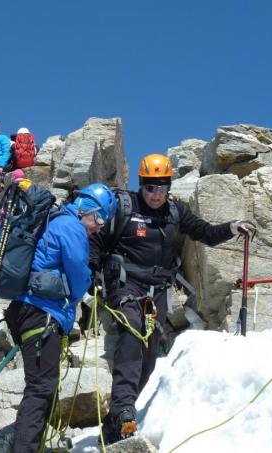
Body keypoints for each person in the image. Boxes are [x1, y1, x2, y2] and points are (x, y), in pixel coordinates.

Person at [88, 154, 257, 444]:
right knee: (132, 331)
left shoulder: (175, 211)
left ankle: (116, 423)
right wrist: (92, 274)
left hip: (157, 293)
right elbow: (96, 241)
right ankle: (124, 410)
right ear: (141, 184)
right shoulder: (124, 207)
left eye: (162, 188)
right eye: (151, 187)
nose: (156, 194)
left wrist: (232, 227)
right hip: (125, 285)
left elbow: (205, 232)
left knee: (149, 358)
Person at [4, 183, 118, 453]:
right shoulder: (71, 227)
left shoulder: (56, 220)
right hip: (42, 313)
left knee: (43, 387)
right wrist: (89, 283)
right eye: (99, 220)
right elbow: (78, 278)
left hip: (28, 311)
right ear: (87, 209)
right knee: (41, 388)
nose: (98, 228)